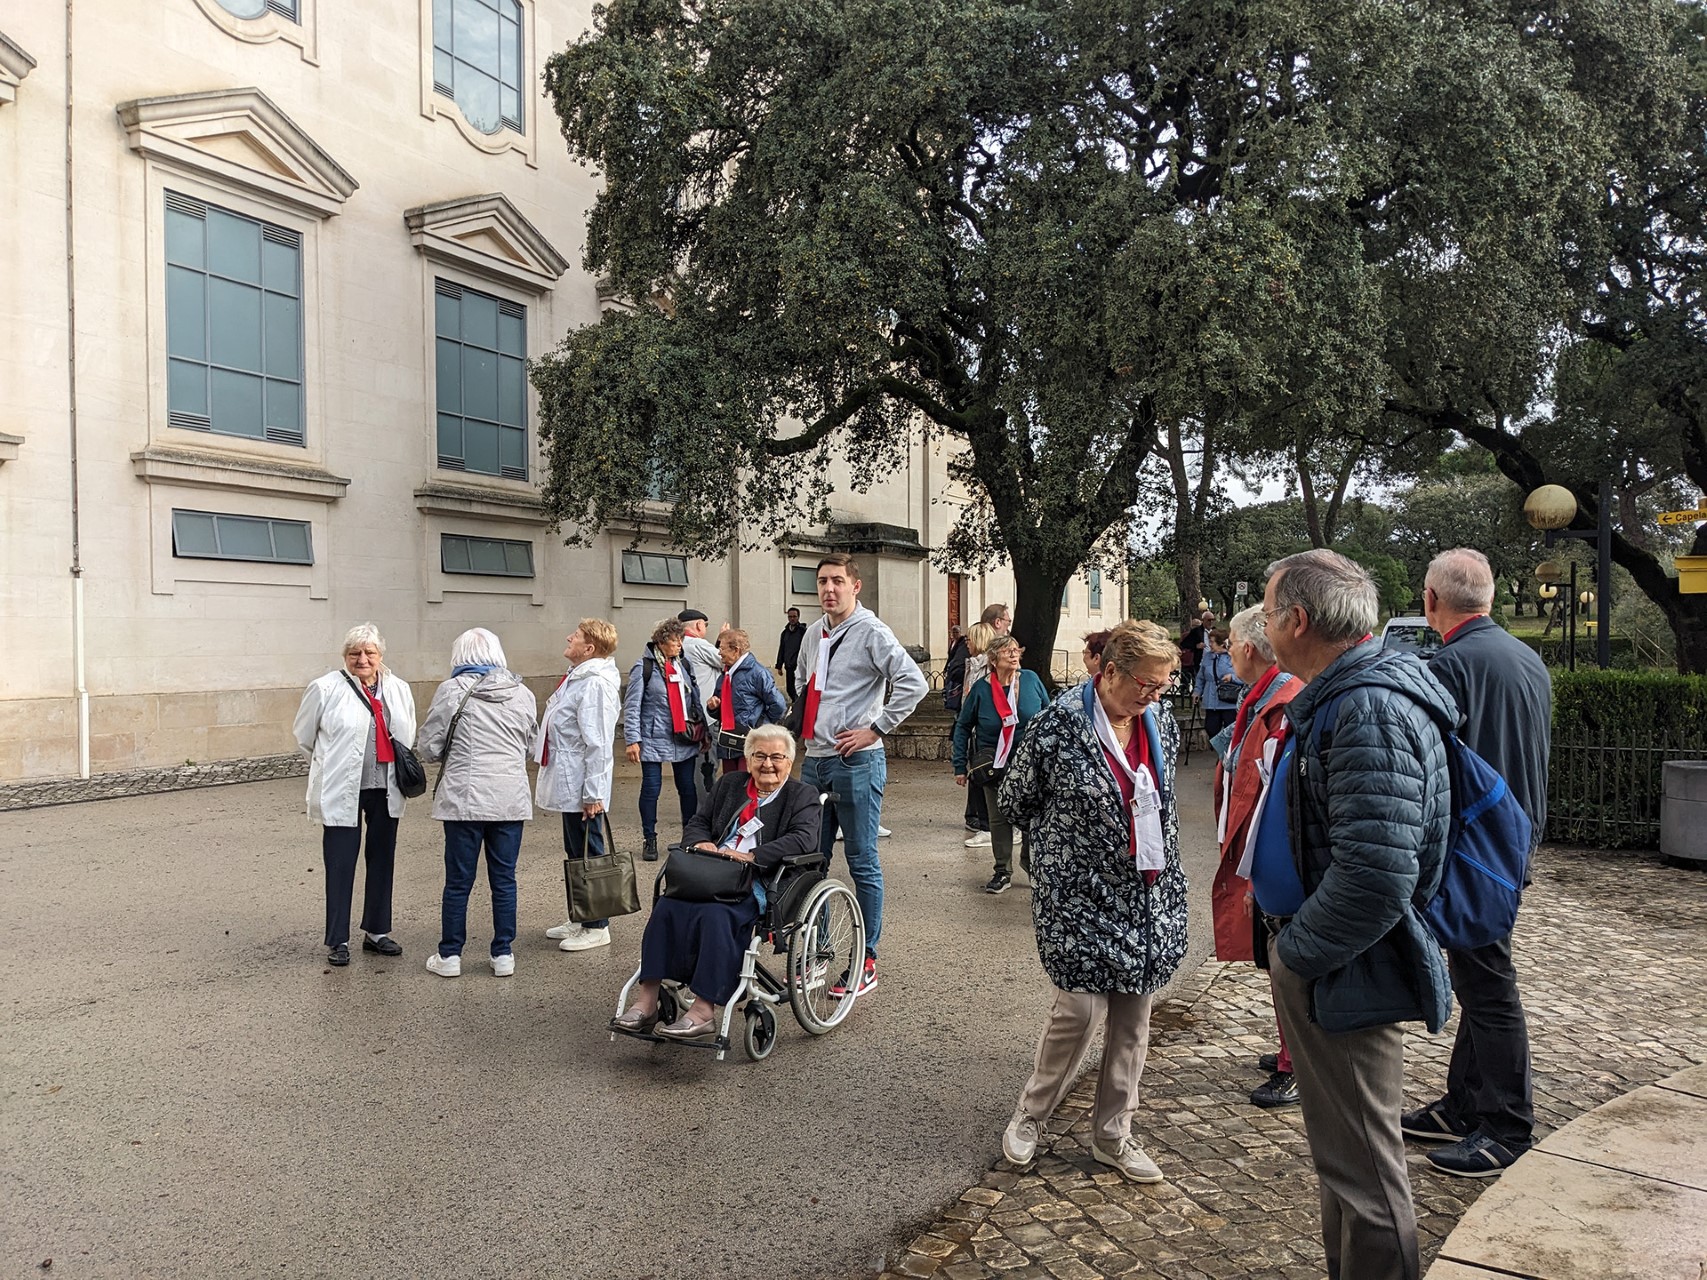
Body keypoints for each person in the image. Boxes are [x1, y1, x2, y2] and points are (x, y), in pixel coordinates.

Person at [1258, 550, 1455, 1280]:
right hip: (1333, 956)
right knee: (1345, 1163)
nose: (1262, 626)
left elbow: (1375, 877)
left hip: (1343, 962)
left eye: (1267, 611)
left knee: (1363, 1170)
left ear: (1297, 620)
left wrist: (1294, 955)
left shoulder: (1367, 706)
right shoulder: (1351, 694)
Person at [995, 621, 1189, 1184]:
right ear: (1109, 672)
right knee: (1078, 1011)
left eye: (1164, 685)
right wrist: (1066, 849)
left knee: (1133, 1017)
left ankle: (1113, 1134)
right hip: (1079, 895)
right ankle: (1032, 1114)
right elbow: (1015, 799)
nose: (1155, 695)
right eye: (1147, 684)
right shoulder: (1058, 725)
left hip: (1147, 893)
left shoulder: (1160, 721)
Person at [1402, 547, 1551, 1178]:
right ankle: (1464, 1104)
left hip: (1476, 847)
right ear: (1488, 598)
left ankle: (1507, 1124)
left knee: (1488, 984)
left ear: (1431, 600)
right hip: (1514, 839)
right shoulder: (1525, 656)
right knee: (1478, 975)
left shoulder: (1449, 665)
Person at [612, 725, 822, 1038]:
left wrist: (751, 856)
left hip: (759, 877)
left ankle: (703, 1010)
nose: (767, 764)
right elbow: (699, 821)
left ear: (789, 762)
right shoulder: (730, 784)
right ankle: (647, 1000)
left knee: (715, 915)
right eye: (759, 756)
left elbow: (804, 839)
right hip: (711, 871)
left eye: (776, 757)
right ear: (748, 759)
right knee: (668, 906)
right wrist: (701, 842)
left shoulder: (801, 795)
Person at [795, 553, 928, 998]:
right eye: (822, 582)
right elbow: (803, 682)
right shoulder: (814, 633)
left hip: (856, 761)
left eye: (837, 581)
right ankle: (817, 953)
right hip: (815, 760)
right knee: (809, 861)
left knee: (861, 861)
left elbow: (914, 683)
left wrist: (875, 728)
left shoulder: (871, 632)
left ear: (855, 586)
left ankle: (866, 959)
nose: (828, 589)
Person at [1209, 605, 1302, 1108]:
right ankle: (1293, 1052)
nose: (1225, 652)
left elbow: (1269, 797)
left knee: (1285, 964)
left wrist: (1255, 873)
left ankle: (1296, 1064)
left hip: (1269, 862)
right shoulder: (1265, 696)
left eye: (1229, 644)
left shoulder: (1280, 702)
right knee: (1275, 961)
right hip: (1259, 857)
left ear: (1247, 648)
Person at [292, 623, 419, 967]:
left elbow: (407, 732)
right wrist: (328, 766)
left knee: (382, 859)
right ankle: (339, 939)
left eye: (369, 652)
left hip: (385, 787)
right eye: (355, 653)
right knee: (340, 863)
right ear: (345, 656)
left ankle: (377, 932)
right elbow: (304, 737)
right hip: (341, 788)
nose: (362, 659)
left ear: (380, 655)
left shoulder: (398, 688)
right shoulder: (325, 688)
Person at [418, 628, 538, 979]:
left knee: (458, 880)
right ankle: (503, 953)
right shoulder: (523, 693)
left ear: (459, 656)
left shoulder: (451, 691)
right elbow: (531, 746)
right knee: (505, 879)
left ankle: (450, 955)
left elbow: (429, 747)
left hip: (464, 799)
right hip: (509, 798)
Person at [536, 618, 623, 954]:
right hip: (571, 780)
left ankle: (598, 926)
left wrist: (594, 794)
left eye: (575, 636)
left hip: (583, 784)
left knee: (591, 854)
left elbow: (598, 743)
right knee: (576, 853)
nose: (568, 637)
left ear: (589, 648)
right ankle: (581, 915)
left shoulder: (595, 684)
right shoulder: (578, 677)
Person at [952, 634, 1048, 893]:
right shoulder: (981, 689)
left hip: (1029, 764)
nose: (1014, 655)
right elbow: (963, 727)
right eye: (1007, 651)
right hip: (994, 764)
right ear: (993, 660)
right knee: (999, 819)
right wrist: (959, 766)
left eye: (1017, 650)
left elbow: (1048, 718)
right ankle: (1002, 871)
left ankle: (1030, 864)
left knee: (1032, 817)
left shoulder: (1031, 680)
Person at [624, 618, 702, 862]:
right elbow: (632, 705)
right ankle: (649, 838)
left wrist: (703, 732)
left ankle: (689, 837)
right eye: (674, 640)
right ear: (660, 641)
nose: (679, 644)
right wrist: (632, 739)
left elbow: (695, 699)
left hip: (684, 737)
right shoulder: (644, 667)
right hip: (653, 737)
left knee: (687, 788)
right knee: (651, 788)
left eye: (681, 639)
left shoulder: (684, 664)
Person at [706, 627, 787, 774]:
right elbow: (721, 710)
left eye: (722, 648)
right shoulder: (726, 674)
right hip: (728, 743)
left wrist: (761, 726)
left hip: (750, 744)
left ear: (735, 650)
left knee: (748, 783)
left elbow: (779, 705)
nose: (719, 652)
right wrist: (714, 707)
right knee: (731, 782)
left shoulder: (758, 673)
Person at [678, 609, 726, 791]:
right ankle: (705, 805)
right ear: (699, 625)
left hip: (687, 718)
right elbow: (725, 660)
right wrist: (724, 639)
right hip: (707, 717)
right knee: (706, 768)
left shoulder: (679, 645)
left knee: (690, 768)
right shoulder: (699, 644)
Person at [960, 620, 997, 848]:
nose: (967, 642)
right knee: (975, 774)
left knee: (983, 775)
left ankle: (987, 824)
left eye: (970, 638)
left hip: (983, 730)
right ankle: (976, 817)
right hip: (971, 726)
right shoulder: (971, 664)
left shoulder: (988, 667)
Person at [1194, 628, 1241, 739]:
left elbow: (1245, 677)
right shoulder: (1207, 657)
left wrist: (1232, 678)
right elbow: (1201, 677)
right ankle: (1216, 748)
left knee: (1231, 732)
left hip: (1229, 701)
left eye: (1212, 642)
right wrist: (1197, 691)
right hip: (1211, 701)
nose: (1209, 644)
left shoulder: (1234, 656)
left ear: (1221, 643)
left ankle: (1228, 750)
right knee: (1211, 729)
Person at [776, 607, 806, 701]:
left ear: (798, 617)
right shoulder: (785, 633)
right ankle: (795, 703)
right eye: (790, 617)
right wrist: (779, 665)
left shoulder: (803, 632)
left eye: (794, 616)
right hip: (789, 666)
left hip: (800, 666)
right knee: (790, 689)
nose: (792, 619)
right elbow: (782, 649)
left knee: (799, 688)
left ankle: (798, 705)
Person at [942, 625, 969, 711]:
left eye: (957, 632)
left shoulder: (962, 642)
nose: (955, 634)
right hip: (952, 666)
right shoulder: (952, 643)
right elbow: (950, 657)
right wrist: (945, 667)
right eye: (953, 632)